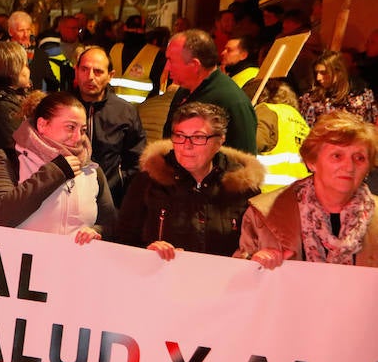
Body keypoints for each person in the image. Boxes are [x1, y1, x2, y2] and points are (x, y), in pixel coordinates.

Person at [113, 103, 263, 260]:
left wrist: (253, 257)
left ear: (219, 141)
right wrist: (148, 252)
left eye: (198, 137)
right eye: (179, 136)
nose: (186, 146)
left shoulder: (243, 188)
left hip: (221, 282)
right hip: (161, 280)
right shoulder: (149, 181)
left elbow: (259, 245)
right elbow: (122, 241)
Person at [237, 111, 378, 268]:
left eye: (359, 158)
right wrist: (254, 264)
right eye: (337, 156)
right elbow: (239, 278)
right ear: (312, 161)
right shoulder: (262, 215)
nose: (349, 167)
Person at [0, 92, 115, 241]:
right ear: (42, 125)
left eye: (83, 130)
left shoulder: (92, 170)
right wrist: (54, 172)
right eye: (70, 127)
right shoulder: (8, 159)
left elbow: (110, 223)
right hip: (21, 261)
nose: (79, 138)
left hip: (75, 263)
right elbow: (2, 214)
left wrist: (96, 231)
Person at [162, 29, 257, 154]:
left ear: (195, 65)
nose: (167, 67)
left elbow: (244, 163)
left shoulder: (233, 102)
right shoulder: (184, 91)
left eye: (171, 60)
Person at [73, 46, 146, 205]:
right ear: (76, 70)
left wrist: (120, 186)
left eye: (98, 71)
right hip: (67, 195)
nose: (90, 76)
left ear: (110, 76)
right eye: (84, 69)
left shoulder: (125, 112)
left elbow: (137, 160)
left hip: (111, 199)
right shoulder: (61, 106)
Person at [299, 50, 377, 124]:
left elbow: (369, 125)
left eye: (324, 73)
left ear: (338, 72)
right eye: (316, 73)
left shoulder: (360, 96)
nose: (318, 78)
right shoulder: (311, 98)